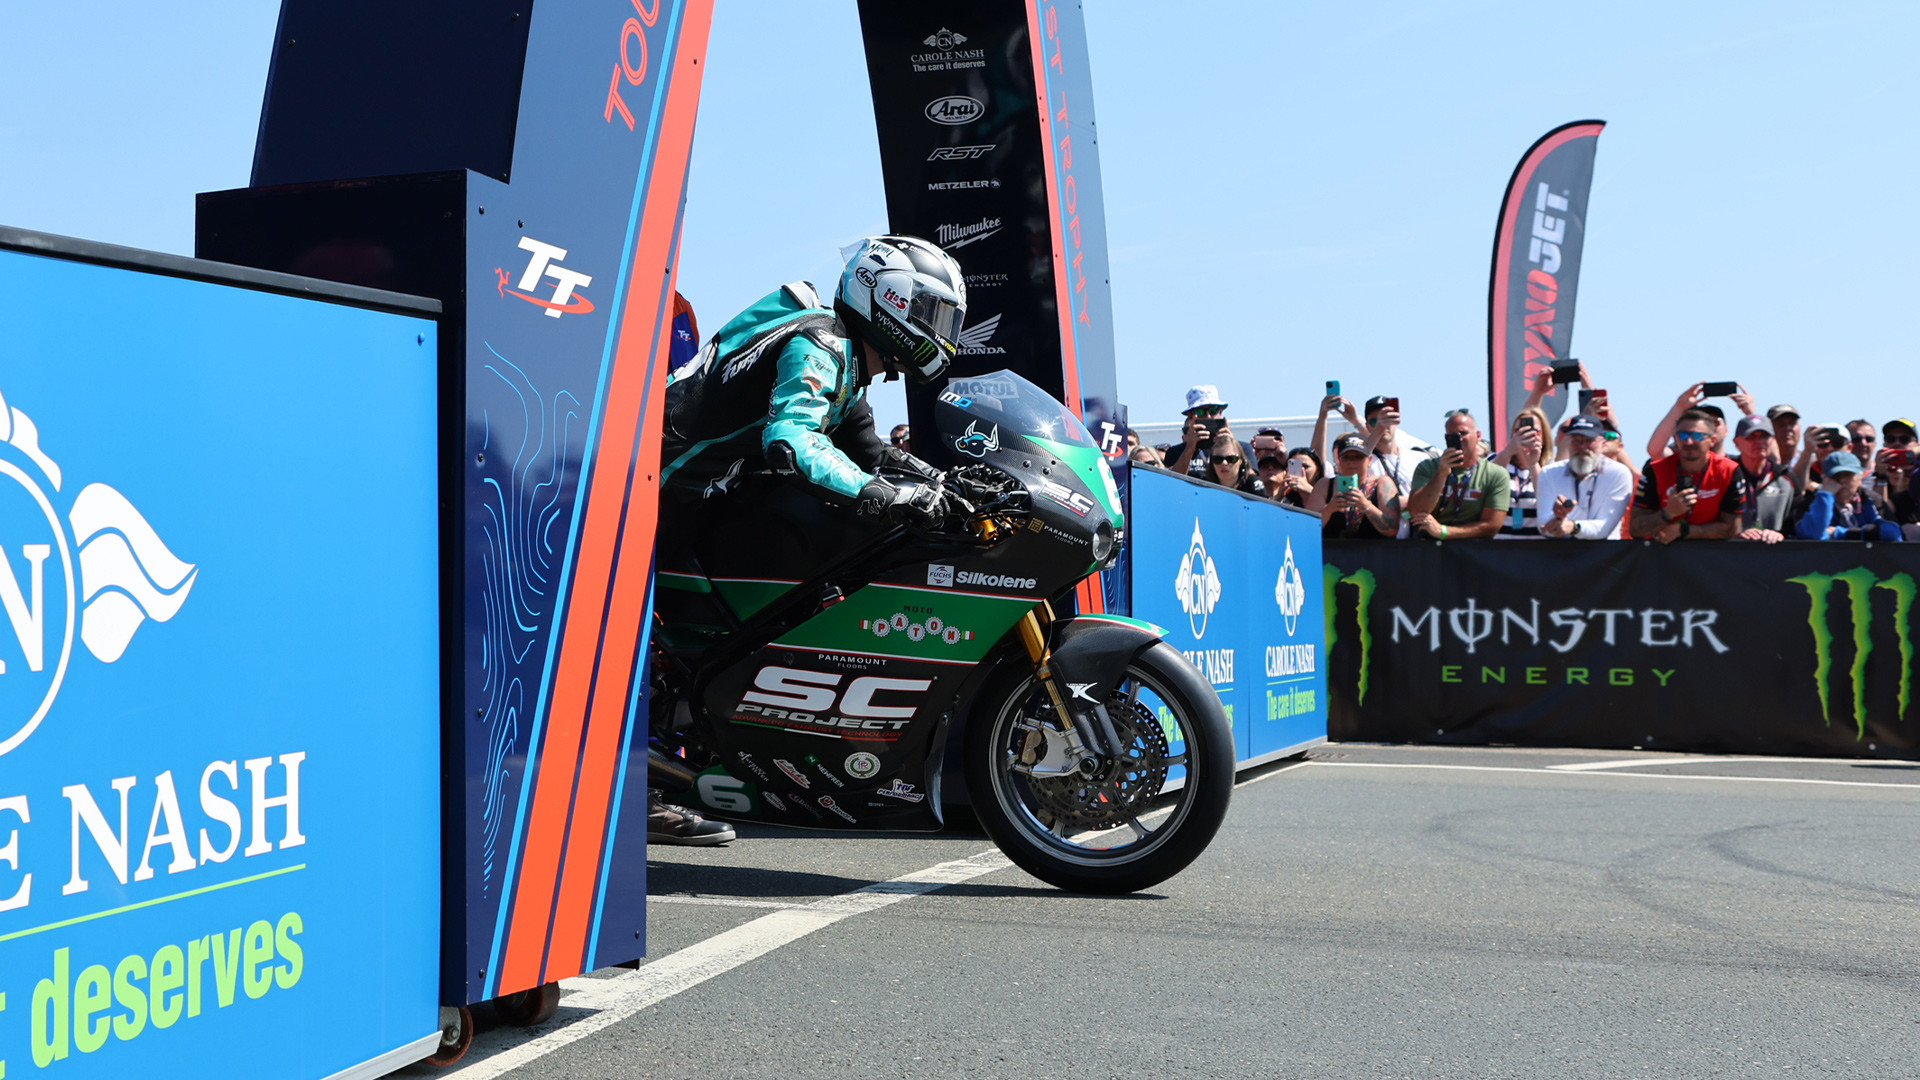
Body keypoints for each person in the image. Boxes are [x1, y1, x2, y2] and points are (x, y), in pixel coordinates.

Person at [652, 235, 970, 841]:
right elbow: (794, 440)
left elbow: (872, 456)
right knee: (638, 646)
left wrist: (948, 487)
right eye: (931, 314)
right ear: (891, 302)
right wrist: (886, 497)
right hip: (651, 494)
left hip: (700, 501)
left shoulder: (849, 366)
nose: (941, 332)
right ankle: (630, 787)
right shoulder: (820, 342)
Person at [1628, 409, 1745, 542]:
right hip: (1662, 553)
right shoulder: (1655, 471)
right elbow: (1636, 529)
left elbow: (1731, 529)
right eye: (1682, 435)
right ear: (1675, 438)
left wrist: (1683, 531)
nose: (1689, 442)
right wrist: (1668, 513)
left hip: (1711, 554)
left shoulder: (1729, 471)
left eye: (1697, 436)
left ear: (1712, 440)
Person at [1405, 410, 1510, 540]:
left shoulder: (1496, 474)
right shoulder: (1428, 467)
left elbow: (1492, 525)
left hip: (1474, 550)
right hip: (1431, 547)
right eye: (1452, 436)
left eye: (1463, 433)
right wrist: (1441, 474)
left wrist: (1444, 532)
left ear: (1478, 436)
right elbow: (1416, 511)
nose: (1459, 439)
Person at [1536, 415, 1633, 540]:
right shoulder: (1549, 473)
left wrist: (1572, 526)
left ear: (1603, 443)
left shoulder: (1619, 473)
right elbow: (1543, 525)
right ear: (1568, 443)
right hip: (1560, 554)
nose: (1582, 446)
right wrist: (1558, 517)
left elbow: (1604, 527)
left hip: (1606, 554)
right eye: (1576, 440)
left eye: (1589, 441)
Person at [1793, 452, 1901, 541]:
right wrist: (1826, 495)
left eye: (1848, 475)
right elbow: (1813, 534)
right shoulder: (1811, 502)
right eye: (1835, 476)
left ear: (1859, 479)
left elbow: (1893, 532)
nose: (1842, 480)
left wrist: (1840, 533)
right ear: (1825, 479)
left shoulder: (1870, 499)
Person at [1309, 433, 1399, 539]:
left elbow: (1392, 530)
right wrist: (1330, 509)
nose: (1351, 462)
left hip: (1373, 552)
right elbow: (1308, 529)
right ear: (1339, 459)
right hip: (1332, 552)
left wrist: (1366, 506)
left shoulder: (1382, 484)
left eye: (1358, 457)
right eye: (1346, 457)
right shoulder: (1324, 485)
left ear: (1369, 460)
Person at [1645, 382, 1756, 460]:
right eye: (1701, 424)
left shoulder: (1738, 465)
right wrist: (1678, 407)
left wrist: (1751, 413)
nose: (1710, 427)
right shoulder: (1682, 464)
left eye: (1715, 421)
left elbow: (1768, 454)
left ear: (1727, 430)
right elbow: (1656, 451)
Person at [1730, 415, 1795, 542]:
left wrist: (1781, 534)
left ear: (1773, 440)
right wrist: (1737, 532)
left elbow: (1797, 520)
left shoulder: (1786, 477)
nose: (1759, 442)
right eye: (1751, 437)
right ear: (1737, 443)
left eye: (1765, 436)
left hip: (1774, 553)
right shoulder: (1726, 474)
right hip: (1731, 553)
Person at [1493, 406, 1550, 536]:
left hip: (1533, 547)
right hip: (1500, 545)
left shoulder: (1551, 468)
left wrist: (1533, 464)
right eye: (1519, 431)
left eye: (1534, 431)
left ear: (1544, 436)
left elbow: (1546, 498)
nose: (1526, 434)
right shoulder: (1499, 459)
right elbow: (1487, 482)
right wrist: (1509, 451)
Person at [1166, 385, 1231, 478]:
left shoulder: (1242, 448)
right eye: (1200, 412)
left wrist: (1231, 445)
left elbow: (1249, 481)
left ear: (1221, 411)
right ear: (1191, 415)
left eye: (1214, 410)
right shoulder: (1176, 452)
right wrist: (1190, 448)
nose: (1208, 416)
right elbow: (1172, 482)